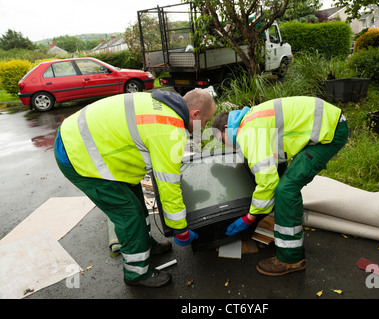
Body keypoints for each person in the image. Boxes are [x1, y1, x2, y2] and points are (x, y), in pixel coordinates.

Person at [54, 89, 216, 287]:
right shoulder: (170, 129)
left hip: (82, 139)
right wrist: (180, 229)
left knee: (136, 197)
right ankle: (136, 273)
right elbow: (168, 185)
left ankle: (144, 243)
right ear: (196, 114)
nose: (205, 127)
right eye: (206, 121)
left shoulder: (164, 103)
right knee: (128, 214)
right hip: (77, 155)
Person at [212, 96, 348, 276]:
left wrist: (249, 218)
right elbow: (272, 162)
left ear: (227, 129)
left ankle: (291, 259)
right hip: (329, 123)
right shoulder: (250, 120)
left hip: (330, 132)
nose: (226, 146)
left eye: (222, 140)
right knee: (281, 179)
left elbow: (268, 181)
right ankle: (283, 224)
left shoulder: (247, 132)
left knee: (286, 189)